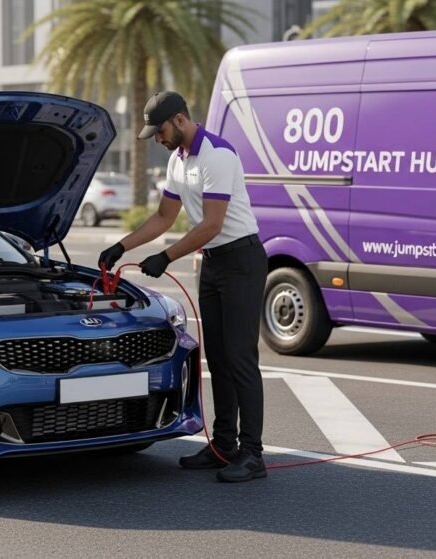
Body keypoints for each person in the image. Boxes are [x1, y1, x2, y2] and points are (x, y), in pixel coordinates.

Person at [98, 91, 268, 482]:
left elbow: (212, 224)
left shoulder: (217, 155)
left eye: (159, 131)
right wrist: (121, 245)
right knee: (220, 358)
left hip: (242, 260)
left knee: (241, 357)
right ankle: (224, 445)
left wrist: (166, 258)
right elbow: (163, 216)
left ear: (178, 120)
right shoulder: (178, 160)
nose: (156, 139)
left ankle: (253, 454)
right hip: (212, 263)